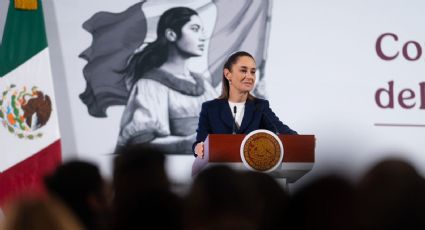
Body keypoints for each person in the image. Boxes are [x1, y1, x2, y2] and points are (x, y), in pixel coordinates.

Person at [117, 7, 218, 155]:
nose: (202, 37)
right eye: (195, 29)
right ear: (171, 34)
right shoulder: (151, 84)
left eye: (202, 30)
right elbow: (141, 142)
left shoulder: (203, 84)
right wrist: (186, 143)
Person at [193, 51, 297, 158]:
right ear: (228, 74)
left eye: (252, 72)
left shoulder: (260, 106)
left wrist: (303, 140)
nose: (249, 76)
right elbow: (200, 142)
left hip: (254, 172)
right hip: (221, 172)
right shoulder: (210, 108)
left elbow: (282, 130)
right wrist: (198, 148)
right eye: (243, 71)